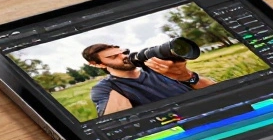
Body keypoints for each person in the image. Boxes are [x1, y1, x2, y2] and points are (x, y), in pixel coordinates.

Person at [84, 43, 217, 116]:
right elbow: (114, 122)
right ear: (98, 64)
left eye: (124, 52)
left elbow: (216, 91)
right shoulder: (104, 88)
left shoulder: (158, 67)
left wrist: (187, 76)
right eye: (113, 57)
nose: (124, 57)